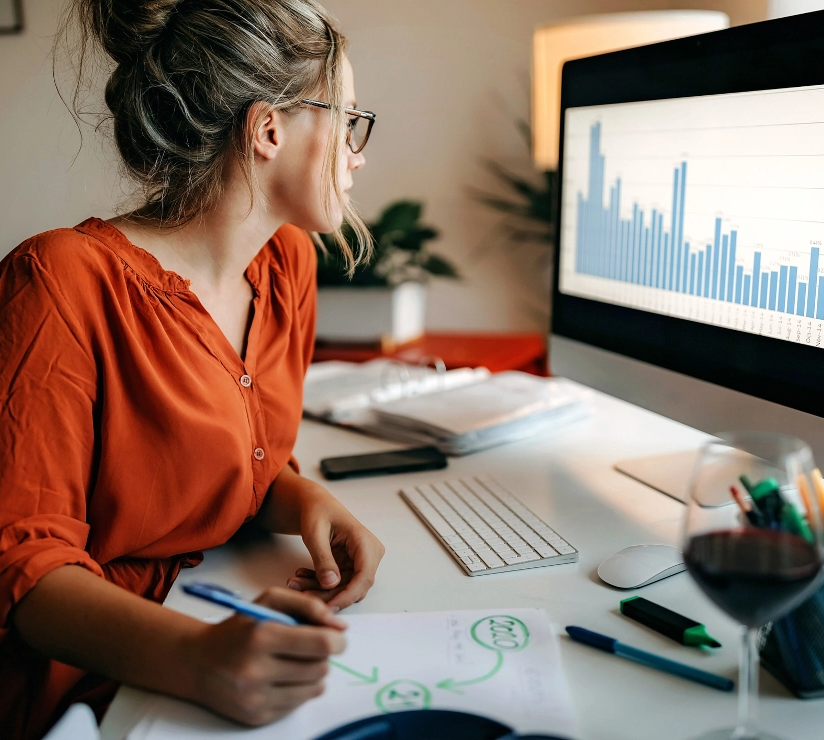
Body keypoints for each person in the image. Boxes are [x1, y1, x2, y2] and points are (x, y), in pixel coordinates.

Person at [0, 1, 385, 737]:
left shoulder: (286, 264)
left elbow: (239, 464)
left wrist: (301, 500)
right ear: (269, 129)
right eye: (350, 120)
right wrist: (202, 659)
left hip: (211, 623)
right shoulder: (60, 281)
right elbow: (21, 568)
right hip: (84, 695)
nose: (358, 152)